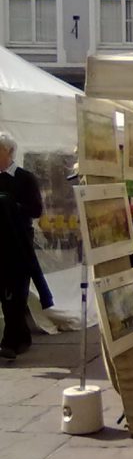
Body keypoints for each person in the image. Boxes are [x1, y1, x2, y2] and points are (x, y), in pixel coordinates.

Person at [0, 133, 44, 359]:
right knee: (4, 294)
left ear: (8, 152)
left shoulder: (25, 178)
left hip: (18, 245)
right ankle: (20, 337)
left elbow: (36, 210)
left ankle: (10, 341)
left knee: (16, 294)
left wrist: (11, 205)